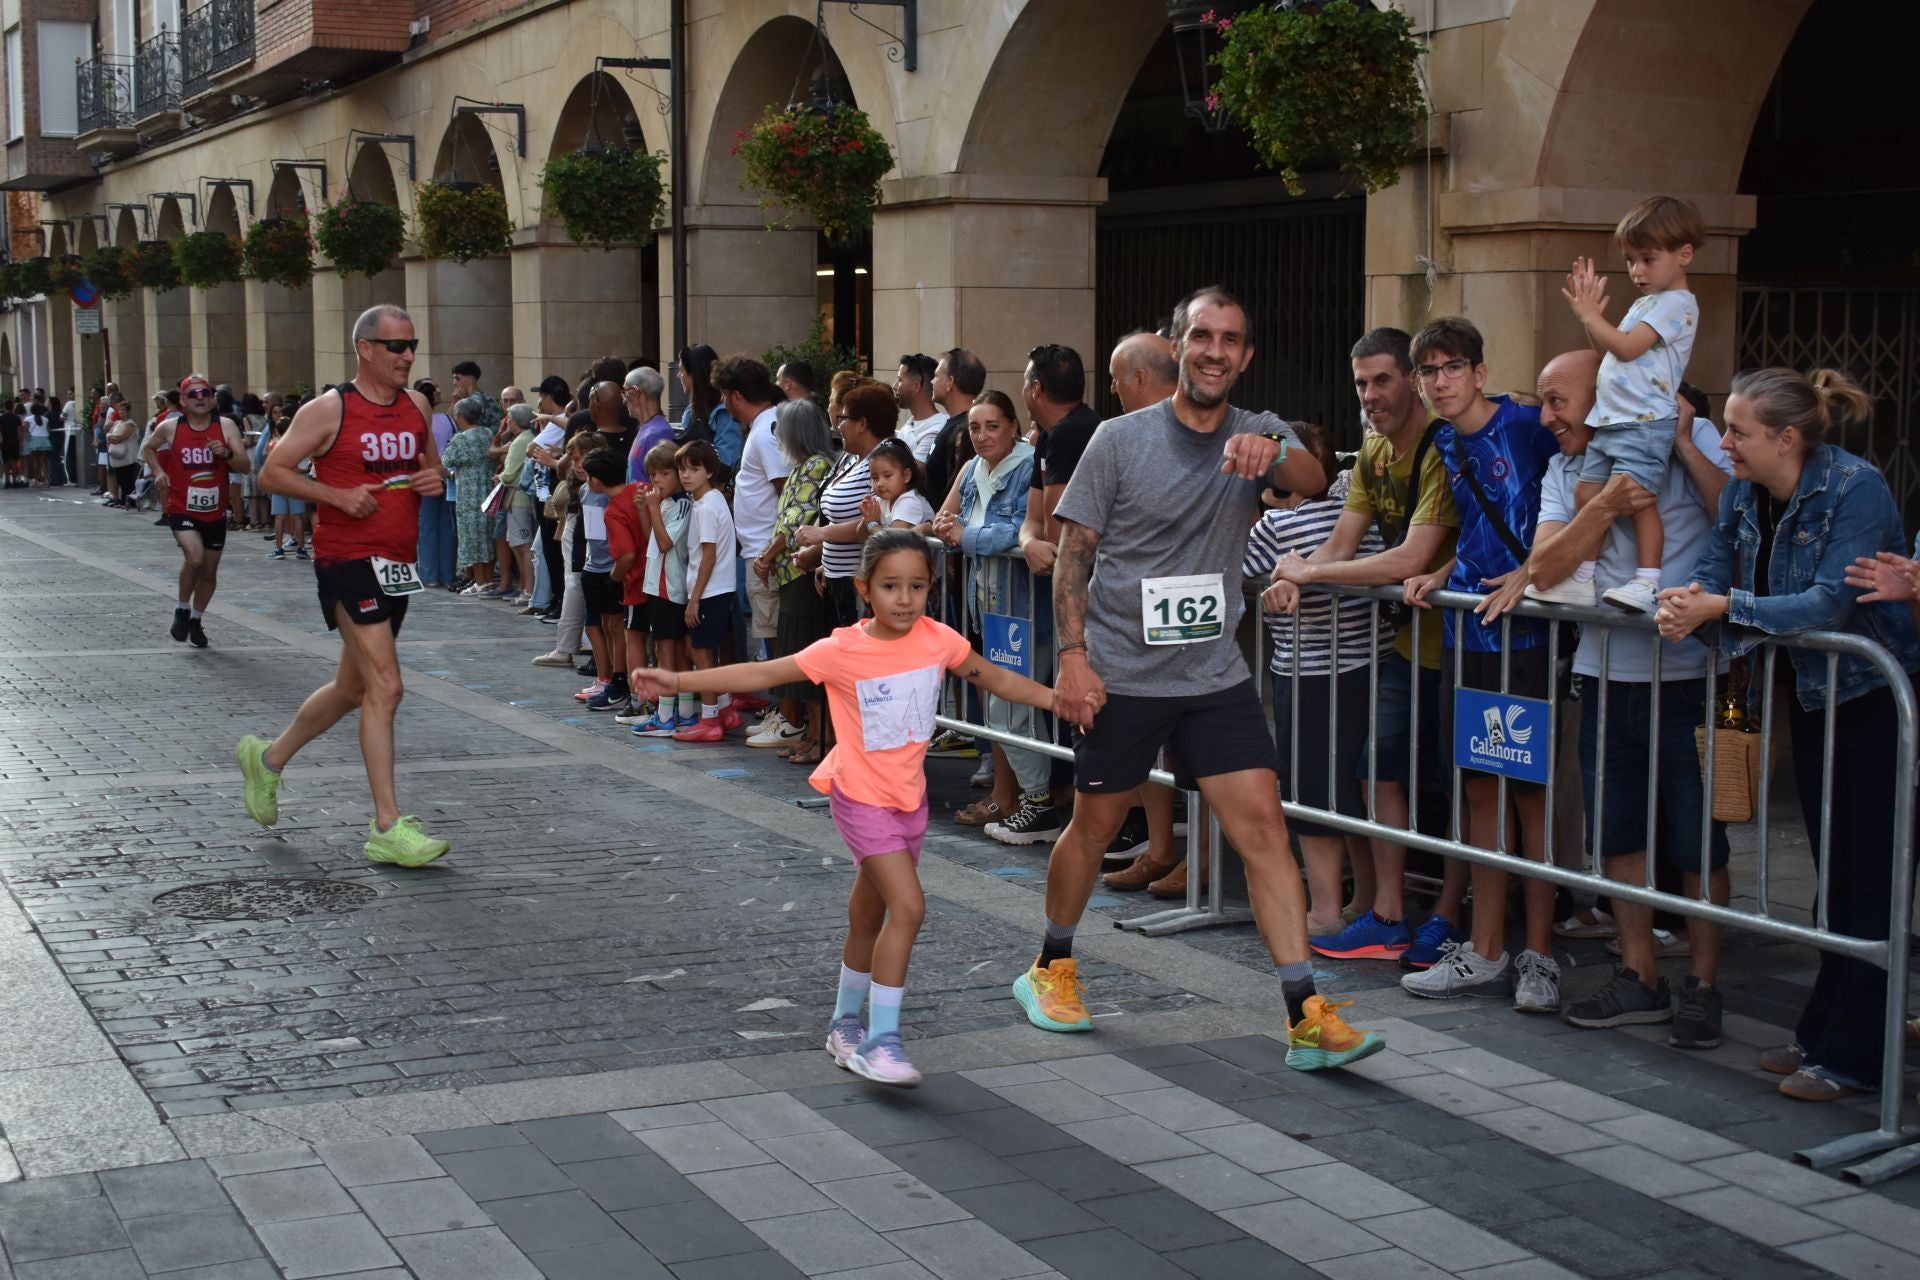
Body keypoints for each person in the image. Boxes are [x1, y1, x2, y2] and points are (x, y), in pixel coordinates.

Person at [1020, 285, 1381, 1073]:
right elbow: (1073, 552)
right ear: (1177, 345)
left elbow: (1317, 478)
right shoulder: (1118, 439)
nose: (1216, 350)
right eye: (1202, 336)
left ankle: (1305, 1012)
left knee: (1262, 832)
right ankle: (1050, 965)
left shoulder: (1260, 431)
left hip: (1214, 675)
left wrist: (1277, 455)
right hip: (1124, 671)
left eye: (1232, 340)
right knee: (1092, 827)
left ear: (1245, 356)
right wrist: (1073, 657)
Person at [632, 530, 1069, 1086]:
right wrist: (677, 679)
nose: (905, 599)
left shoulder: (939, 640)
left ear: (931, 588)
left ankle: (844, 1025)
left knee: (869, 914)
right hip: (860, 798)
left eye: (916, 586)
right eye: (891, 586)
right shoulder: (840, 649)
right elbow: (764, 673)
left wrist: (1059, 698)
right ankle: (883, 1042)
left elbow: (999, 678)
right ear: (864, 588)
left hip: (907, 803)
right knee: (908, 908)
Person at [1657, 368, 1920, 1101]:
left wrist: (1721, 607)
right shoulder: (1743, 491)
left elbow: (1827, 604)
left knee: (1868, 876)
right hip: (1810, 697)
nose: (1727, 444)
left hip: (1874, 696)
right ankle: (1824, 1032)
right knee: (1835, 870)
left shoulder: (1854, 488)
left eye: (1738, 431)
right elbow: (1716, 569)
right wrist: (1684, 602)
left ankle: (1853, 1057)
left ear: (1787, 437)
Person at [1482, 353, 1733, 1048]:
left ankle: (1704, 986)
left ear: (1608, 399)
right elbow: (1546, 568)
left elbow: (1736, 516)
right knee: (1617, 835)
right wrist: (1603, 502)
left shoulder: (1694, 436)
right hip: (1600, 676)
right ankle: (1639, 974)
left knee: (1697, 841)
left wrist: (1682, 440)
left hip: (1694, 681)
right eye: (1542, 400)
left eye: (1559, 400)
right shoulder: (1565, 471)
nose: (1547, 416)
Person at [1268, 328, 1463, 966]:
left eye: (1383, 380)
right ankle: (1386, 915)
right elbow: (1342, 543)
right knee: (1376, 771)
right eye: (1361, 383)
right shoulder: (1374, 452)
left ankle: (1448, 917)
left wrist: (1309, 573)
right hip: (1410, 646)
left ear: (1414, 379)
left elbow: (1409, 556)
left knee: (1468, 787)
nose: (1371, 395)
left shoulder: (1443, 445)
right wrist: (1299, 577)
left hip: (1471, 640)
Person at [236, 304, 452, 868]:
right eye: (396, 347)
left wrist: (434, 478)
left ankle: (269, 759)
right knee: (387, 687)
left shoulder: (417, 405)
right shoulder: (329, 409)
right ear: (365, 349)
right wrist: (336, 496)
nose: (408, 356)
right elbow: (272, 471)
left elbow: (432, 468)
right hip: (345, 558)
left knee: (353, 688)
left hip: (397, 563)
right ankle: (387, 825)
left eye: (412, 345)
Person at [1396, 317, 1563, 1014]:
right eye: (1429, 371)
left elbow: (1578, 506)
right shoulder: (1440, 440)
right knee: (1478, 797)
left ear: (1480, 371)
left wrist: (1535, 570)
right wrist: (1440, 571)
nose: (1440, 382)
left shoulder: (1529, 425)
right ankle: (1485, 950)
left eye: (1452, 367)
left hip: (1530, 640)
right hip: (1470, 636)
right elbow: (1466, 527)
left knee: (1533, 802)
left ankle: (1541, 956)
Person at [1247, 422, 1394, 932]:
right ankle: (1366, 900)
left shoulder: (1275, 527)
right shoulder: (1359, 512)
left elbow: (1240, 568)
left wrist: (1261, 510)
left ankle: (1326, 908)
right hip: (1373, 662)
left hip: (1308, 672)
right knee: (1356, 787)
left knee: (1312, 791)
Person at [1551, 195, 1704, 614]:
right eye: (1630, 260)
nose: (1637, 270)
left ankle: (1646, 581)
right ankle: (1583, 576)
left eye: (1648, 259)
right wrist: (1592, 318)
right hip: (1615, 419)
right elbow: (1609, 351)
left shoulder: (1677, 304)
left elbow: (1629, 347)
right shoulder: (1646, 301)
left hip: (1644, 421)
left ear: (1684, 254)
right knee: (1588, 494)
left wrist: (1589, 316)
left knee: (1638, 501)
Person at [929, 391, 1043, 837]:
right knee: (1000, 708)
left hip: (1025, 606)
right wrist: (944, 528)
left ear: (1013, 426)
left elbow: (1020, 530)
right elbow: (948, 514)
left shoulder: (1030, 465)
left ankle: (1039, 801)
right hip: (986, 607)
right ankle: (1031, 798)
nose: (982, 436)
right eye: (975, 427)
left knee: (1016, 710)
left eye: (992, 426)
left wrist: (964, 535)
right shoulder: (973, 467)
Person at [754, 399, 838, 759]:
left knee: (807, 655)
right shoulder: (804, 466)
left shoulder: (816, 465)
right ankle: (815, 733)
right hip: (791, 575)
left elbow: (796, 521)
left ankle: (822, 737)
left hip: (803, 574)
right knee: (797, 655)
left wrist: (767, 556)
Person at [142, 375, 252, 647]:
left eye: (206, 393)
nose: (201, 398)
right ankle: (181, 607)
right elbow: (148, 447)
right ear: (183, 400)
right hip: (182, 505)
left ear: (212, 398)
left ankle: (195, 619)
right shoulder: (170, 427)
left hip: (214, 510)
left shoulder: (225, 426)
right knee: (195, 558)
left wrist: (226, 454)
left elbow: (245, 466)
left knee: (210, 571)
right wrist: (158, 471)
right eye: (194, 394)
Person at [714, 355, 790, 672]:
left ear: (736, 396)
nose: (722, 402)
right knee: (769, 633)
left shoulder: (764, 432)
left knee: (774, 636)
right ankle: (783, 708)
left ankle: (787, 711)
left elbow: (786, 492)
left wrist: (773, 549)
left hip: (767, 554)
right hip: (763, 552)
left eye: (723, 394)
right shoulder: (763, 427)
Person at [797, 380, 893, 630]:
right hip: (836, 578)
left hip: (859, 581)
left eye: (844, 418)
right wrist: (824, 561)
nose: (838, 425)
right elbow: (832, 509)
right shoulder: (853, 459)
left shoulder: (885, 459)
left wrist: (820, 535)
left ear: (862, 424)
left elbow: (871, 519)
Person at [670, 439, 740, 741]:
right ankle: (724, 708)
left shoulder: (705, 508)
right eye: (682, 469)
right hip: (717, 589)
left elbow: (708, 555)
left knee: (700, 653)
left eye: (694, 469)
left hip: (710, 591)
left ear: (709, 471)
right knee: (697, 649)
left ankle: (710, 719)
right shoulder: (713, 500)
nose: (687, 475)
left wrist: (694, 599)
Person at [629, 441, 699, 737]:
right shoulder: (667, 504)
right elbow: (652, 539)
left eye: (662, 474)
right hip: (658, 584)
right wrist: (647, 510)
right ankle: (681, 712)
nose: (656, 481)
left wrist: (654, 508)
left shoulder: (682, 504)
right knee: (667, 648)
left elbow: (665, 543)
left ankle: (668, 713)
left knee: (667, 651)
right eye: (652, 474)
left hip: (670, 588)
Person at [440, 397, 496, 595]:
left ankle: (480, 581)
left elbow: (444, 463)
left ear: (462, 416)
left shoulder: (462, 439)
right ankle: (487, 580)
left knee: (472, 538)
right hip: (489, 491)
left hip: (469, 495)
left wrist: (451, 473)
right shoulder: (487, 433)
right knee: (487, 536)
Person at [414, 379, 456, 587]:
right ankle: (447, 573)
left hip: (423, 476)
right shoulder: (447, 420)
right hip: (445, 475)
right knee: (446, 528)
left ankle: (429, 574)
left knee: (427, 528)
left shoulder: (415, 420)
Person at [500, 403, 539, 607]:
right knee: (519, 544)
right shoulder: (529, 439)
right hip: (524, 499)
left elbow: (509, 473)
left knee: (523, 545)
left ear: (514, 421)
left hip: (518, 500)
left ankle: (528, 590)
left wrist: (499, 477)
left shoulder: (520, 442)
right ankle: (525, 587)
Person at [263, 413, 311, 560]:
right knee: (297, 516)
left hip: (279, 483)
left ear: (277, 430)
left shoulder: (274, 443)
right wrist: (307, 470)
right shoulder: (297, 443)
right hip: (294, 482)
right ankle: (301, 549)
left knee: (279, 516)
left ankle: (278, 549)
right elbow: (295, 468)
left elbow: (266, 456)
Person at [894, 353, 944, 463]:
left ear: (916, 386)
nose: (895, 386)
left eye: (900, 380)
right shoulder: (910, 423)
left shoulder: (937, 428)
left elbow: (914, 471)